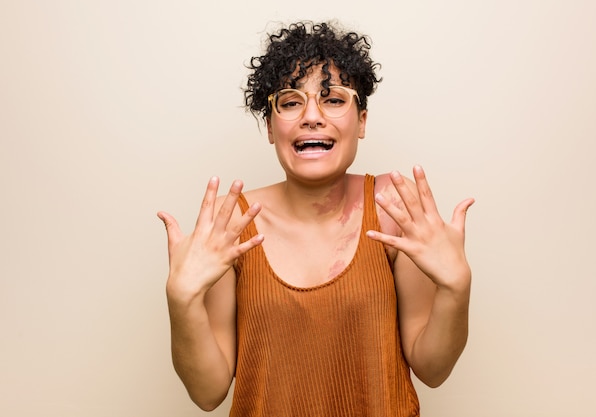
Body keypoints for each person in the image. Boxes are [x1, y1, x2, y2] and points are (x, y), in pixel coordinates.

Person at [157, 20, 474, 417]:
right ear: (271, 126)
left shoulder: (394, 210)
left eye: (334, 99)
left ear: (361, 121)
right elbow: (208, 393)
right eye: (290, 102)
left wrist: (455, 288)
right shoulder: (232, 222)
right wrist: (181, 300)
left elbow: (433, 368)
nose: (311, 116)